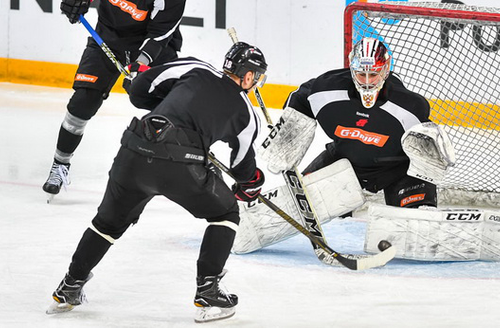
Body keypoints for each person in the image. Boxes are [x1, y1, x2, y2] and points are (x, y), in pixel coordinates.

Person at [46, 41, 268, 323]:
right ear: (248, 76)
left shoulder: (194, 67)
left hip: (135, 149)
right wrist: (251, 184)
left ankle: (69, 287)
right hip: (180, 166)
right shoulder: (247, 114)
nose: (256, 83)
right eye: (256, 77)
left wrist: (166, 104)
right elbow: (242, 170)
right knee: (225, 213)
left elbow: (139, 93)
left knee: (108, 223)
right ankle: (208, 291)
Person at [232, 37, 455, 256]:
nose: (367, 81)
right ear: (352, 70)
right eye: (361, 74)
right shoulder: (325, 90)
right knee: (298, 203)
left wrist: (431, 156)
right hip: (343, 164)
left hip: (396, 172)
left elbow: (426, 156)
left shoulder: (410, 107)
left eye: (374, 74)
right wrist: (287, 137)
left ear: (385, 70)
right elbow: (299, 98)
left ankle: (420, 210)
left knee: (420, 227)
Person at [42, 0, 186, 202]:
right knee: (82, 102)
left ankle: (193, 162)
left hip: (152, 48)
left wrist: (141, 65)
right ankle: (60, 164)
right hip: (107, 37)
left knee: (170, 108)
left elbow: (160, 32)